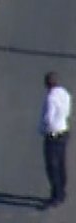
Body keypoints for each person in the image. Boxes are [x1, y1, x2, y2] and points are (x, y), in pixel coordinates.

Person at [39, 70, 71, 208]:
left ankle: (56, 195)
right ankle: (62, 191)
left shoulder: (50, 98)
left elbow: (49, 119)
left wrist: (42, 129)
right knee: (61, 163)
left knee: (52, 167)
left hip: (53, 135)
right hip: (64, 130)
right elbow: (68, 110)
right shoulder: (64, 93)